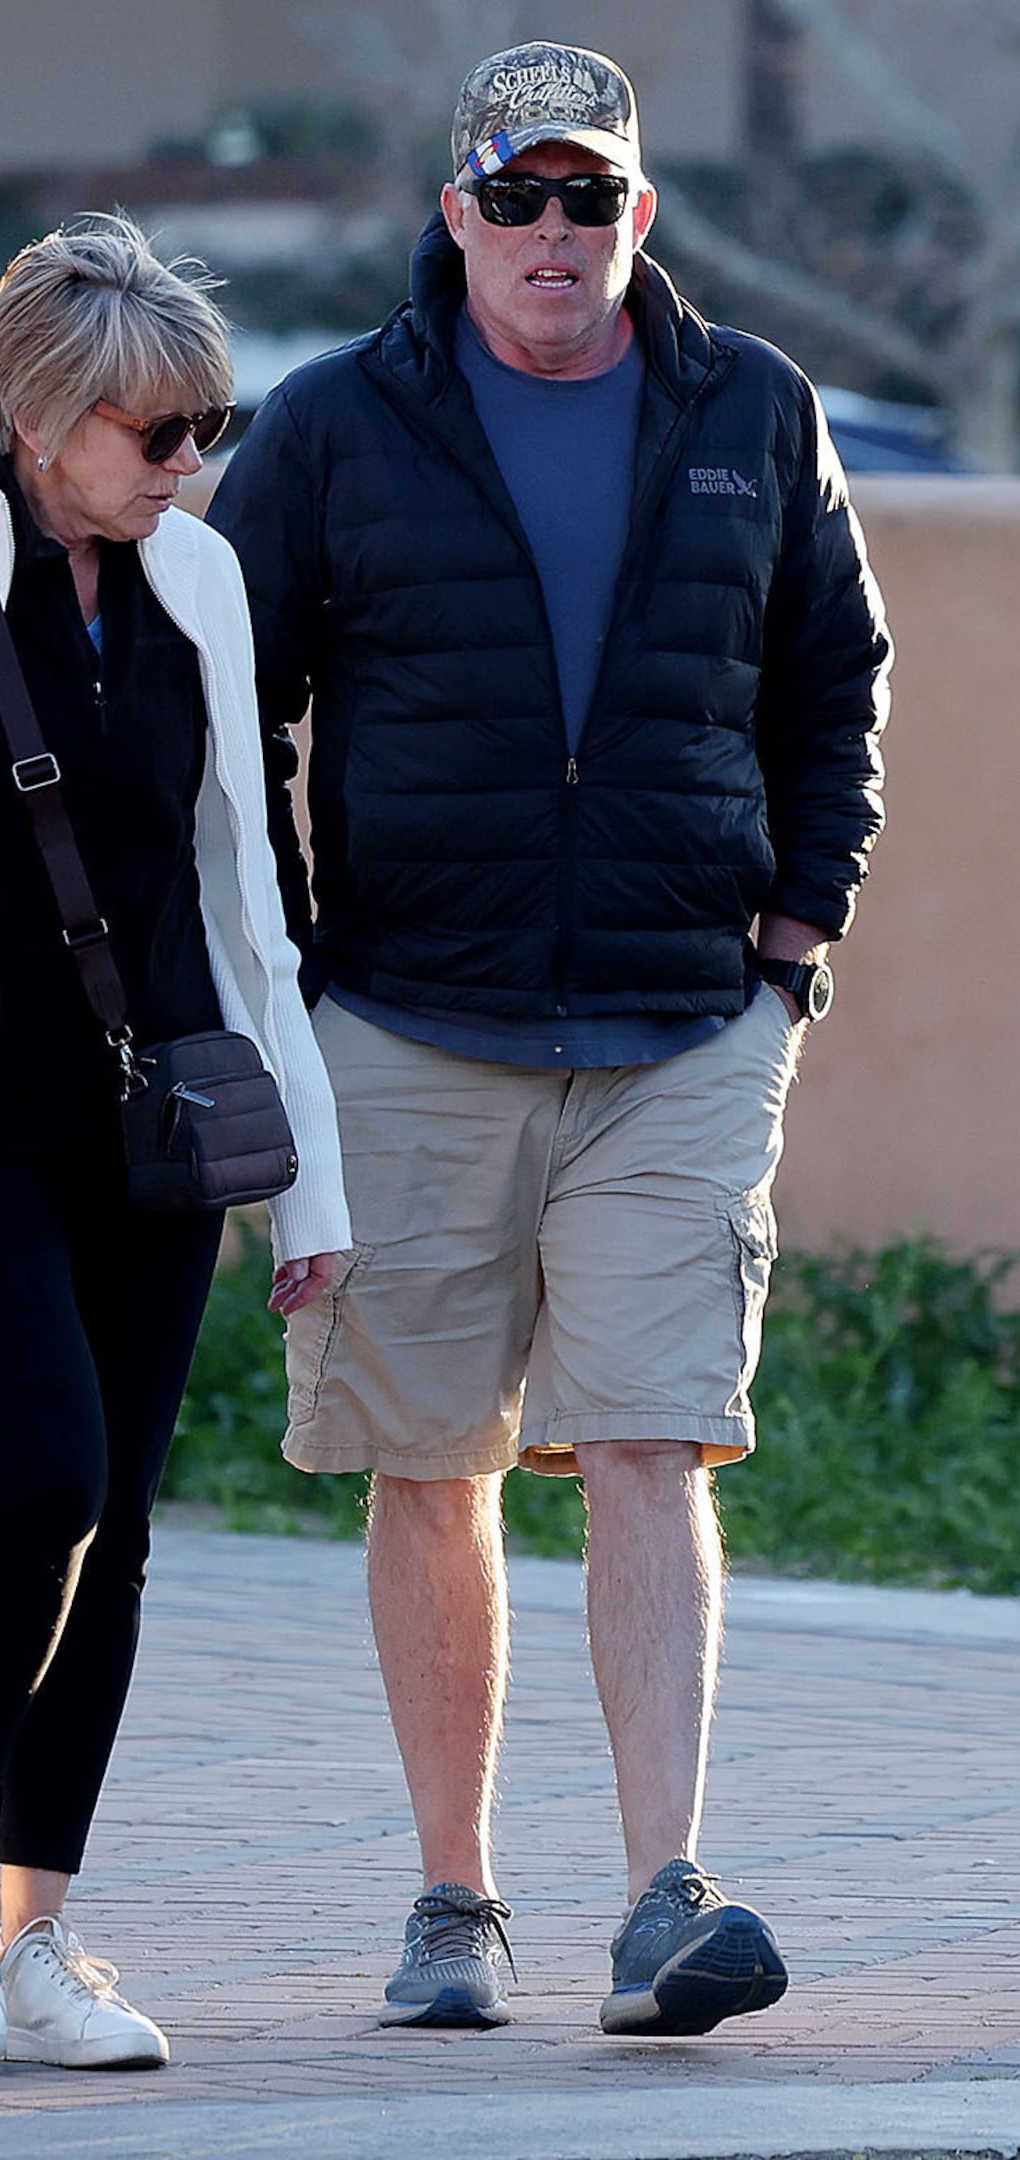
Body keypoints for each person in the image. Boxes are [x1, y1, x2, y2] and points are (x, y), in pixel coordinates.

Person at [211, 43, 886, 2037]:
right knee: (430, 1462)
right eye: (519, 198)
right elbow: (223, 699)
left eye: (591, 199)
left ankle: (668, 1892)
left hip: (685, 1018)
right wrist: (299, 965)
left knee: (656, 1436)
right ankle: (454, 1902)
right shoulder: (341, 425)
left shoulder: (749, 407)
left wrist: (795, 930)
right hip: (414, 1021)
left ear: (640, 218)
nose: (555, 236)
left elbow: (836, 674)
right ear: (457, 217)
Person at [0, 218, 352, 2069]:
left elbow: (251, 892)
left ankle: (42, 1930)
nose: (190, 464)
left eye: (211, 426)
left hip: (161, 1126)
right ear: (40, 418)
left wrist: (307, 1182)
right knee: (43, 1482)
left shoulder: (196, 580)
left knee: (121, 1530)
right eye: (156, 429)